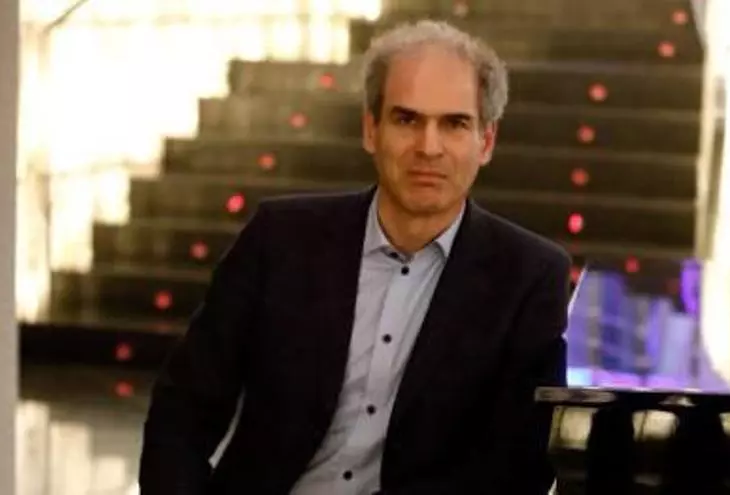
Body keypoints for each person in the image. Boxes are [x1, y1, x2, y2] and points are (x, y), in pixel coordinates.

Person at [139, 19, 571, 495]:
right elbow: (184, 406)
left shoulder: (530, 276)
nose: (428, 147)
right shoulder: (280, 238)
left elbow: (519, 469)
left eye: (454, 124)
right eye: (406, 119)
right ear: (370, 129)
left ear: (485, 142)